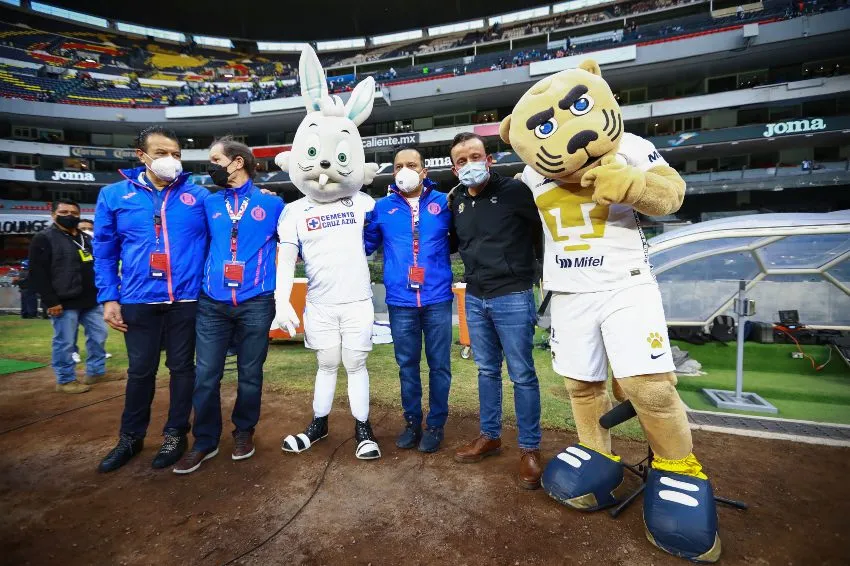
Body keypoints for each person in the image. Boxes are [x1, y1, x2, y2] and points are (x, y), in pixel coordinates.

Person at [94, 126, 209, 473]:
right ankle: (131, 437)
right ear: (141, 156)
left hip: (186, 300)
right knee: (140, 371)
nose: (170, 160)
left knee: (182, 369)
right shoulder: (113, 195)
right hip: (137, 299)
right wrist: (109, 297)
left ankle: (176, 434)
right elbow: (104, 251)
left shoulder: (199, 196)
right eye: (161, 153)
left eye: (176, 154)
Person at [173, 137, 284, 475]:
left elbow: (292, 246)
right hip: (212, 303)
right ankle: (204, 441)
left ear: (237, 162)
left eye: (216, 160)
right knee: (206, 375)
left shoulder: (273, 204)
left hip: (256, 302)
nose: (211, 167)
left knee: (250, 374)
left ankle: (244, 432)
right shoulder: (209, 203)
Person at [447, 132, 544, 490]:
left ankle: (530, 448)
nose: (469, 164)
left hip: (513, 294)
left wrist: (536, 274)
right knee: (487, 370)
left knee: (522, 374)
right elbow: (455, 243)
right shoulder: (457, 200)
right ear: (454, 168)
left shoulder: (515, 191)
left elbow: (540, 233)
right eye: (461, 160)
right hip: (475, 296)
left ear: (488, 159)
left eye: (475, 157)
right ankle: (490, 436)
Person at [364, 147, 453, 453]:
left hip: (437, 297)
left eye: (411, 164)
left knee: (440, 365)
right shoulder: (381, 207)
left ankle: (436, 425)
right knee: (407, 365)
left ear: (424, 171)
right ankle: (412, 422)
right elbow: (364, 244)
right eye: (399, 165)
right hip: (400, 301)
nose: (405, 170)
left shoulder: (445, 203)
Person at [28, 198, 109, 394]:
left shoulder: (86, 238)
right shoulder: (43, 238)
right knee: (65, 342)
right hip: (63, 300)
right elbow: (37, 272)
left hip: (92, 299)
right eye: (63, 212)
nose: (69, 216)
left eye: (73, 213)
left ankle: (96, 372)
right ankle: (65, 380)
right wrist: (50, 300)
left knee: (99, 336)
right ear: (53, 215)